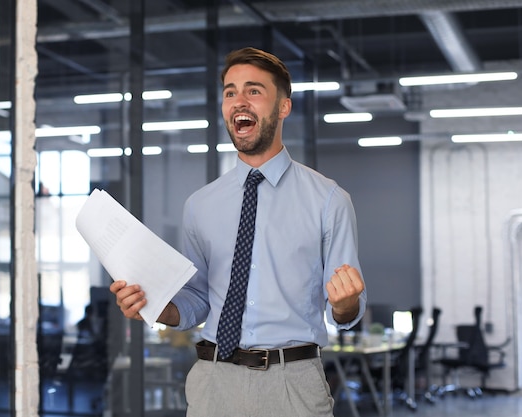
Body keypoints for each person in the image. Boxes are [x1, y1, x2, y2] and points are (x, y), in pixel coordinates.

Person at [110, 47, 366, 417]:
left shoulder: (328, 200)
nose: (238, 101)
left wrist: (345, 304)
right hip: (213, 381)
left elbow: (346, 308)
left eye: (254, 91)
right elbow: (197, 301)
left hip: (290, 384)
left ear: (283, 107)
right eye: (230, 92)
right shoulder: (200, 204)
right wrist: (154, 306)